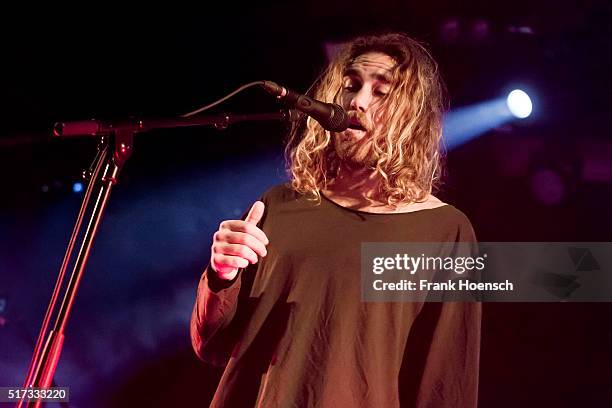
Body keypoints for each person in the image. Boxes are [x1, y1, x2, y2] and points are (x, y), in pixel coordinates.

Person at [190, 32, 481, 407]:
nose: (358, 102)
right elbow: (210, 345)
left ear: (413, 117)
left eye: (381, 92)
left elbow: (445, 385)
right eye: (351, 86)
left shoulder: (444, 232)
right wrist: (220, 277)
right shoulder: (277, 207)